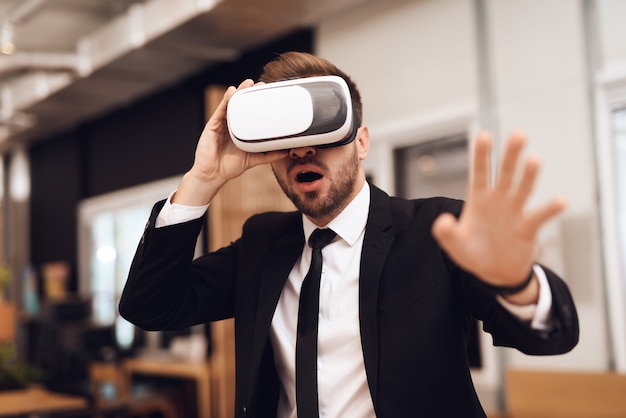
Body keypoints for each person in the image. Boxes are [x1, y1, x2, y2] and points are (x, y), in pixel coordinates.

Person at [119, 51, 579, 418]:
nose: (302, 149)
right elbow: (150, 305)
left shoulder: (436, 231)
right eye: (287, 139)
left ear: (360, 141)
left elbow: (550, 339)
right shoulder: (263, 242)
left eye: (325, 130)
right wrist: (203, 178)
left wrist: (518, 284)